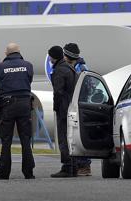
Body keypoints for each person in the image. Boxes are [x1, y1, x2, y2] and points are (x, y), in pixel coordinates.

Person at [0, 43, 35, 180]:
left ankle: (4, 173)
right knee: (25, 139)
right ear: (19, 52)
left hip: (7, 104)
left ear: (6, 53)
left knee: (6, 140)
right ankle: (29, 172)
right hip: (24, 104)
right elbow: (29, 80)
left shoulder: (0, 67)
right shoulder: (28, 65)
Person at [48, 45, 77, 178]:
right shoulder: (69, 68)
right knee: (71, 137)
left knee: (63, 137)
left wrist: (56, 108)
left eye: (50, 56)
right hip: (72, 107)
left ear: (54, 57)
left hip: (64, 109)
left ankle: (67, 167)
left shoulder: (59, 70)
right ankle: (74, 166)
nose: (49, 58)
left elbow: (58, 92)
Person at [63, 42, 92, 176]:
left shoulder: (80, 69)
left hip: (79, 106)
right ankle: (78, 165)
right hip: (78, 105)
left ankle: (84, 166)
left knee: (78, 136)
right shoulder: (79, 66)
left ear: (67, 55)